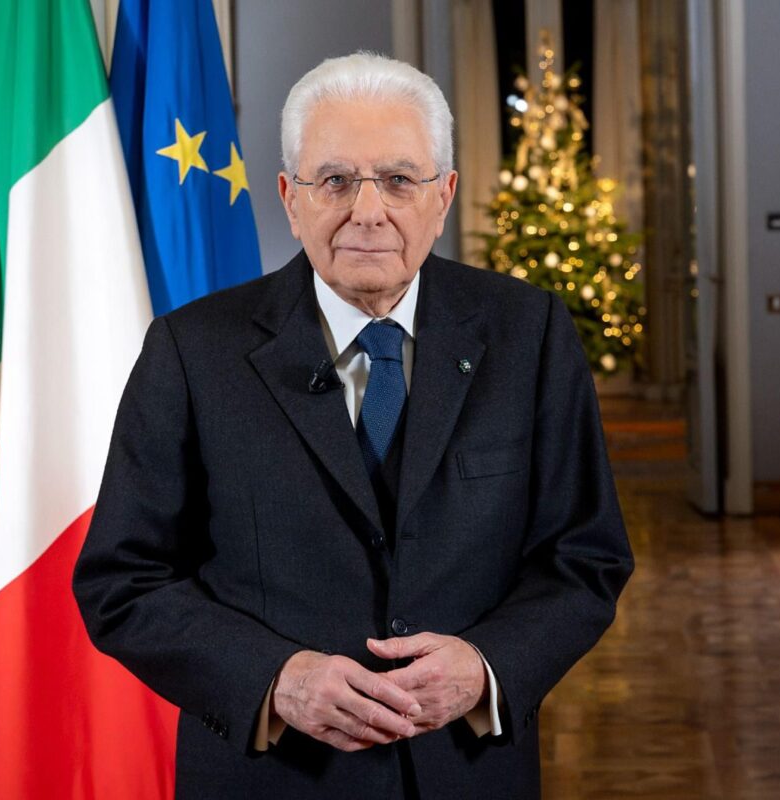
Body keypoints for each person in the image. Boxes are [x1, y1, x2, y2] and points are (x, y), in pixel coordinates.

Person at [73, 52, 633, 800]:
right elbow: (123, 579)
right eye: (334, 180)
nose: (367, 211)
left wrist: (487, 665)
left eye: (400, 180)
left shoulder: (528, 332)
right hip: (270, 777)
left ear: (444, 196)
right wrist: (275, 679)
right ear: (289, 197)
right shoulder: (190, 349)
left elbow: (585, 556)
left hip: (467, 773)